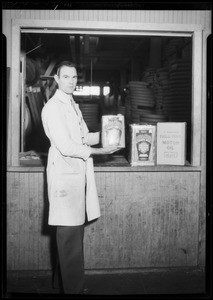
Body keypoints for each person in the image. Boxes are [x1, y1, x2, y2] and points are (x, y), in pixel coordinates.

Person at [41, 61, 119, 294]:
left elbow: (84, 137)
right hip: (65, 177)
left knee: (70, 236)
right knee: (69, 237)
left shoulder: (72, 105)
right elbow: (66, 146)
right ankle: (75, 290)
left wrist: (112, 131)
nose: (71, 81)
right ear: (56, 78)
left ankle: (60, 283)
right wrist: (100, 151)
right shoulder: (53, 108)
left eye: (74, 77)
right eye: (66, 77)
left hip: (75, 177)